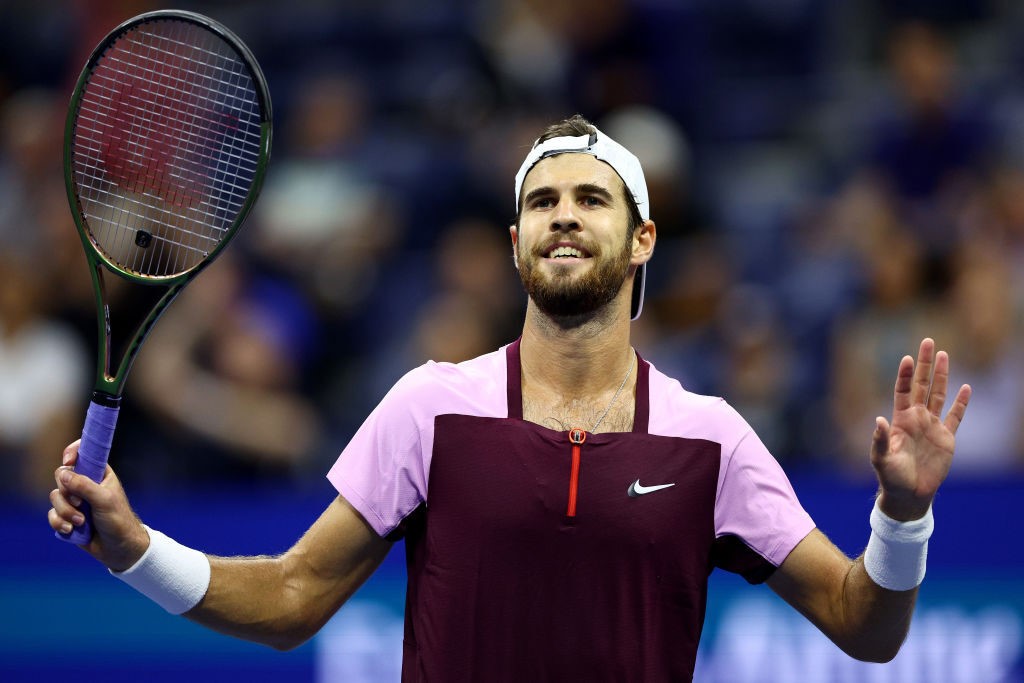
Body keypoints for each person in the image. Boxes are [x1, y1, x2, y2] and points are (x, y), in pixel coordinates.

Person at [48, 115, 971, 681]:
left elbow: (867, 627)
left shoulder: (711, 440)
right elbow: (292, 597)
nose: (564, 213)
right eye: (543, 201)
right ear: (518, 238)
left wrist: (902, 515)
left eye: (592, 199)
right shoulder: (428, 408)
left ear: (642, 238)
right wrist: (134, 548)